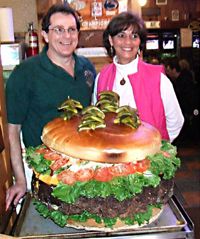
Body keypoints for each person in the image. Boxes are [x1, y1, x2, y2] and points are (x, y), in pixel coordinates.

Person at [5, 4, 96, 211]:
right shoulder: (24, 73)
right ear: (45, 35)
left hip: (81, 168)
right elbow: (13, 131)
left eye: (71, 29)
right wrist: (20, 180)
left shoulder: (87, 68)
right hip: (43, 173)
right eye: (58, 29)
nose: (66, 36)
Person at [92, 11, 184, 142]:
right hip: (113, 155)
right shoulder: (101, 78)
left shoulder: (158, 78)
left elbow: (176, 121)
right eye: (121, 35)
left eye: (134, 36)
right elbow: (97, 118)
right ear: (111, 40)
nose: (128, 42)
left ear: (140, 42)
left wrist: (156, 147)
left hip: (149, 156)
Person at [164, 57, 199, 144]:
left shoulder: (182, 82)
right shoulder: (186, 78)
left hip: (187, 111)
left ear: (174, 70)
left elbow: (186, 99)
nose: (167, 73)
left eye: (168, 71)